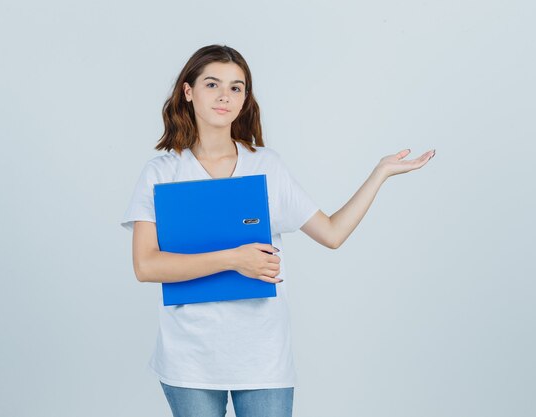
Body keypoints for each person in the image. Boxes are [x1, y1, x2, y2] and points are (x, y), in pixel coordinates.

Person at [120, 44, 435, 417]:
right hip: (189, 357)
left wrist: (379, 174)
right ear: (188, 92)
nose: (225, 96)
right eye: (212, 84)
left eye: (237, 87)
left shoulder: (266, 165)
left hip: (263, 355)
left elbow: (332, 233)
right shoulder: (162, 172)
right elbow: (146, 265)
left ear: (245, 98)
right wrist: (234, 259)